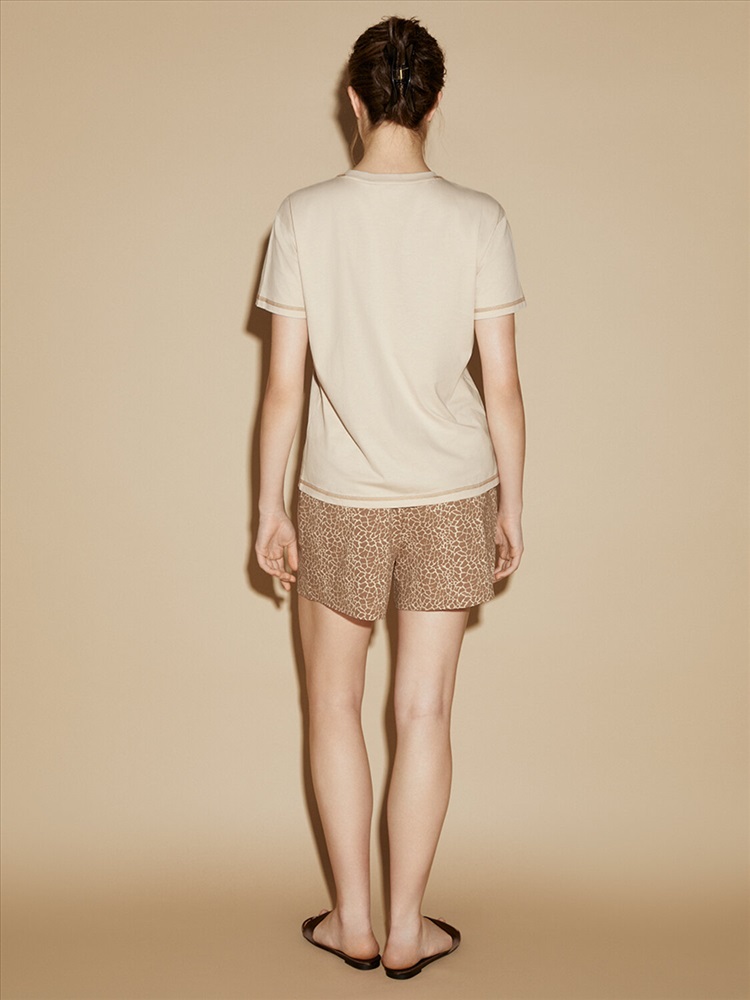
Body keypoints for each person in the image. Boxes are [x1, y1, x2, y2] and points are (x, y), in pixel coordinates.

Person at [254, 14, 527, 981]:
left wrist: (268, 508)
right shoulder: (480, 219)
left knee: (333, 706)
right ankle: (408, 932)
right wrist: (512, 508)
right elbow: (503, 385)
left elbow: (282, 387)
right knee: (425, 713)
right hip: (455, 493)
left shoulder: (303, 216)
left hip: (341, 497)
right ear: (434, 102)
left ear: (357, 101)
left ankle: (354, 923)